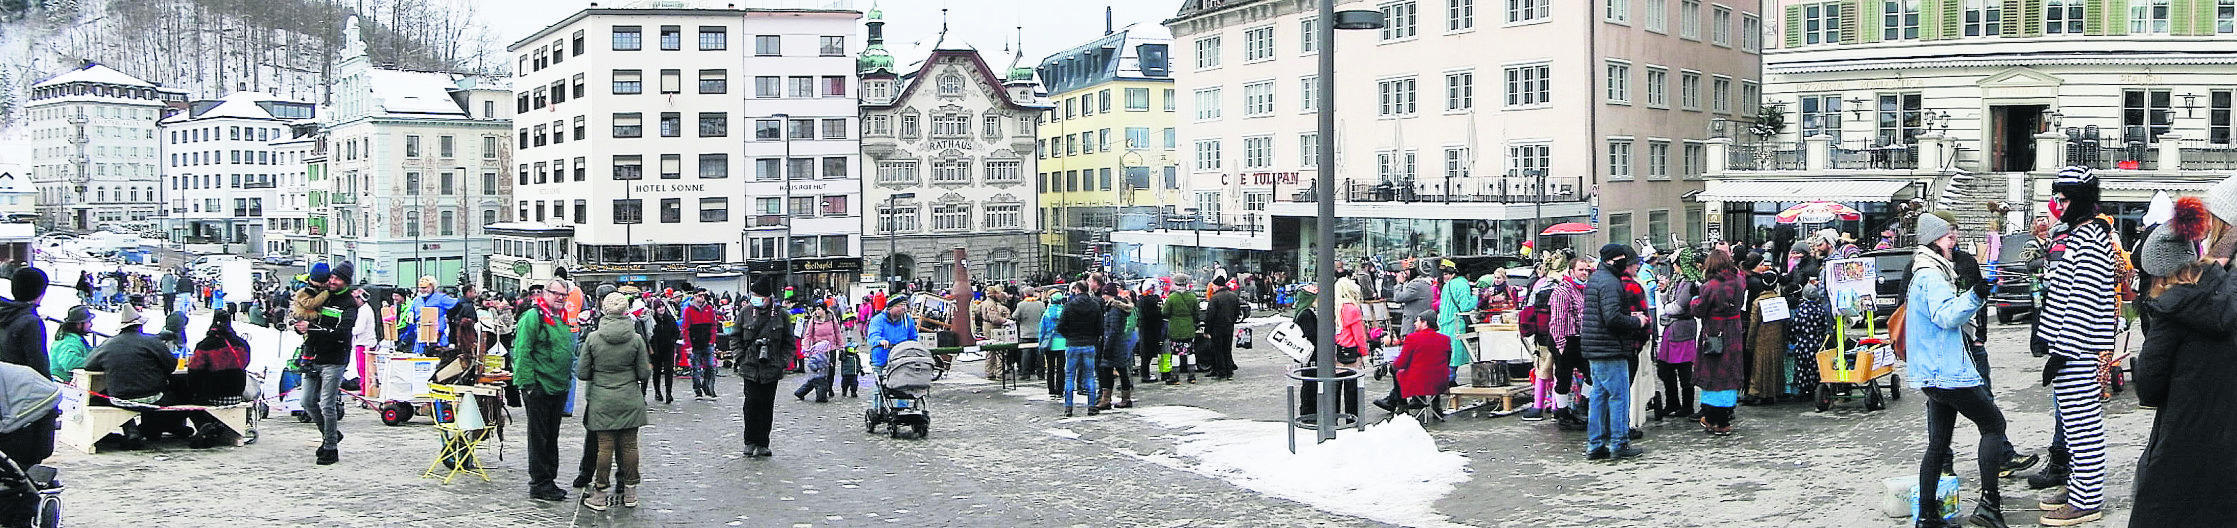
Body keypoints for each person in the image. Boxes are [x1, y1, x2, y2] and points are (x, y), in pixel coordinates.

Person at [1897, 211, 2013, 528]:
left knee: (1938, 444)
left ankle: (1927, 516)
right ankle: (1990, 506)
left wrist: (1972, 294)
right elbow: (1947, 316)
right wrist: (1976, 294)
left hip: (1932, 373)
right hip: (1946, 371)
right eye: (1949, 236)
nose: (1954, 241)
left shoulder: (1926, 271)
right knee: (1993, 425)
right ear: (1935, 240)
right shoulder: (1931, 275)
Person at [2032, 166, 2118, 526]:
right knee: (2070, 422)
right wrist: (2044, 334)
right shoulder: (2080, 234)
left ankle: (2087, 499)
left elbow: (2082, 301)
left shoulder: (2092, 239)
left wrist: (2062, 349)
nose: (2058, 204)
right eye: (2057, 197)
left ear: (2080, 199)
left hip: (2081, 348)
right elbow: (2063, 292)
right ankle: (2078, 486)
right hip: (2070, 345)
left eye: (2064, 198)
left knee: (2082, 424)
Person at [573, 292, 650, 511]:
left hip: (602, 399)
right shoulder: (635, 339)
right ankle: (630, 492)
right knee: (630, 446)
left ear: (604, 310)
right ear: (626, 311)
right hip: (629, 398)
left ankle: (599, 495)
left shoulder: (593, 338)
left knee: (604, 448)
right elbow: (644, 373)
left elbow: (583, 373)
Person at [1579, 244, 1648, 460]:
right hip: (1610, 347)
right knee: (1619, 397)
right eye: (1620, 259)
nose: (1623, 263)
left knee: (1598, 397)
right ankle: (1619, 442)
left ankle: (1596, 444)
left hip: (1595, 347)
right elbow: (1612, 318)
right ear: (1611, 260)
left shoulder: (1596, 279)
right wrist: (1637, 321)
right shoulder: (1610, 282)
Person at [513, 279, 579, 502]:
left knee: (551, 436)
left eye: (564, 295)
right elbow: (522, 351)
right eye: (556, 293)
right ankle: (540, 483)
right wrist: (528, 386)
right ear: (545, 293)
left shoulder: (560, 319)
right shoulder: (534, 317)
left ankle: (549, 479)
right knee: (540, 438)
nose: (560, 298)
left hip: (558, 388)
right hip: (540, 387)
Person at [290, 263, 357, 465]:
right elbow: (306, 315)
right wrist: (300, 327)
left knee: (328, 405)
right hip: (313, 356)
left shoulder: (348, 303)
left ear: (346, 282)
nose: (332, 281)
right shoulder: (322, 295)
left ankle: (331, 448)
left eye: (337, 279)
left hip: (335, 359)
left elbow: (342, 333)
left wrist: (312, 328)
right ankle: (331, 434)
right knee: (307, 401)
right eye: (332, 277)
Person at [82, 304, 171, 447]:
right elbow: (171, 365)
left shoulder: (108, 344)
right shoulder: (153, 342)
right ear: (139, 326)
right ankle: (155, 429)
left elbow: (88, 365)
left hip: (120, 398)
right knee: (178, 393)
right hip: (154, 397)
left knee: (99, 399)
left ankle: (131, 430)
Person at [1691, 249, 1747, 435]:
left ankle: (1717, 420)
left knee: (1714, 375)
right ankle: (1723, 418)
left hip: (1715, 331)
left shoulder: (1710, 286)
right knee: (1730, 372)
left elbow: (1699, 309)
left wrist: (1693, 300)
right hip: (1734, 329)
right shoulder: (1739, 281)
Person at [738, 288, 790, 457]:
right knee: (750, 405)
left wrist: (781, 362)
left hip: (771, 368)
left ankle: (763, 443)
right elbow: (735, 336)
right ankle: (750, 441)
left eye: (758, 296)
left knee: (767, 407)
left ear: (767, 297)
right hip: (750, 367)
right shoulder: (745, 312)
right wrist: (740, 358)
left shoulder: (781, 315)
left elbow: (789, 342)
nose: (755, 299)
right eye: (753, 296)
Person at [1547, 255, 1595, 430]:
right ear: (1571, 271)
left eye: (1586, 270)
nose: (1584, 273)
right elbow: (1557, 320)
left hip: (1579, 339)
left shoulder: (1584, 289)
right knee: (1563, 378)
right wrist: (1560, 345)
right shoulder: (1562, 291)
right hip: (1564, 339)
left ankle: (1582, 405)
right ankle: (1563, 414)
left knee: (1591, 373)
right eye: (1581, 270)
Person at [1655, 248, 1702, 419]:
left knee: (1684, 370)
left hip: (1682, 330)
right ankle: (1672, 402)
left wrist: (1667, 308)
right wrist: (1663, 291)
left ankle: (1687, 406)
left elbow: (1679, 306)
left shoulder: (1689, 283)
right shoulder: (1677, 280)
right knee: (1665, 368)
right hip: (1672, 330)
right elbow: (1669, 301)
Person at [1375, 311, 1450, 413]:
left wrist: (1393, 365)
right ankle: (1436, 406)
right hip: (1440, 383)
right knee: (1434, 371)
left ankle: (1402, 406)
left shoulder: (1413, 338)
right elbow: (1447, 362)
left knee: (1395, 370)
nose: (1414, 323)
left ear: (1424, 323)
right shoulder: (1445, 339)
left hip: (1418, 383)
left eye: (1417, 321)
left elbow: (1400, 363)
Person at [1056, 282, 1104, 416]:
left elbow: (1060, 326)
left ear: (1077, 290)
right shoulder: (1094, 305)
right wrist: (1093, 338)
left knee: (1070, 376)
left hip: (1072, 344)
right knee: (1090, 376)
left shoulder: (1069, 305)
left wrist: (1069, 336)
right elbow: (1100, 327)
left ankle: (1068, 407)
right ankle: (1091, 406)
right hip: (1089, 344)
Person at [0, 268, 49, 379]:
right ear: (40, 293)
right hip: (23, 389)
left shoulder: (4, 313)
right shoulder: (31, 323)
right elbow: (38, 366)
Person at [1437, 262, 1478, 380]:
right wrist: (1475, 296)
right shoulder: (1463, 285)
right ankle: (1450, 380)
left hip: (1444, 323)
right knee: (1455, 354)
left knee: (1446, 353)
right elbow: (1465, 307)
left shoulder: (1447, 285)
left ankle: (1445, 380)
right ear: (1468, 275)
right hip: (1456, 323)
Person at [1095, 287, 1135, 410]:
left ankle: (1113, 399)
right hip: (1117, 344)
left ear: (1108, 295)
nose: (1103, 297)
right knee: (1116, 371)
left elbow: (1113, 330)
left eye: (1104, 294)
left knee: (1116, 371)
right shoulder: (1115, 308)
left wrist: (1107, 347)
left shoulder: (1114, 310)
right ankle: (1117, 398)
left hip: (1113, 344)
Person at [1161, 274, 1200, 385]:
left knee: (1176, 353)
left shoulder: (1172, 298)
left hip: (1176, 329)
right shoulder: (1192, 297)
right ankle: (1192, 376)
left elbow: (1165, 313)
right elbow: (1196, 313)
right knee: (1190, 353)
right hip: (1189, 329)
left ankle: (1175, 377)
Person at [1203, 277, 1244, 380]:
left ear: (1217, 286)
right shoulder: (1233, 296)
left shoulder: (1215, 298)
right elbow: (1237, 312)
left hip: (1217, 329)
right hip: (1229, 327)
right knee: (1227, 350)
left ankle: (1221, 373)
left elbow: (1210, 315)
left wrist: (1207, 330)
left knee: (1218, 351)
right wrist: (1231, 321)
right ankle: (1229, 372)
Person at [682, 291, 719, 400]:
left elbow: (713, 325)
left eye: (703, 295)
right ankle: (698, 389)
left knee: (711, 366)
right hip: (694, 344)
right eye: (699, 295)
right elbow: (685, 329)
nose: (701, 298)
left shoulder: (709, 309)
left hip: (708, 343)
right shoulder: (688, 310)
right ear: (694, 297)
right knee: (696, 369)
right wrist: (688, 345)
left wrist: (712, 340)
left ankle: (708, 387)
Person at [643, 299, 680, 404]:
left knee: (669, 370)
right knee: (657, 371)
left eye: (662, 306)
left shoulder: (669, 318)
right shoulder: (652, 319)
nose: (661, 309)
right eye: (659, 307)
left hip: (668, 348)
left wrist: (672, 340)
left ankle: (669, 393)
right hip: (656, 349)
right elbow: (649, 333)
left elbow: (676, 331)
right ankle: (657, 392)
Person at [867, 301, 918, 371]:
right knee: (880, 379)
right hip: (881, 356)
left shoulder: (908, 320)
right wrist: (880, 341)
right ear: (890, 308)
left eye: (904, 305)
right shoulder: (878, 319)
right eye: (899, 305)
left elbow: (913, 337)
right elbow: (873, 335)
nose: (903, 308)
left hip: (901, 357)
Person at [974, 289, 1013, 380]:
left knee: (990, 351)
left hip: (986, 326)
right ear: (994, 294)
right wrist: (1005, 321)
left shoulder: (983, 303)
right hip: (993, 327)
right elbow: (994, 318)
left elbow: (977, 313)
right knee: (999, 349)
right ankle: (1000, 373)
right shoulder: (991, 304)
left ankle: (989, 372)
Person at [48, 307, 93, 382]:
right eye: (88, 321)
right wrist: (94, 362)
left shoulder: (76, 339)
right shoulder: (69, 341)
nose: (91, 324)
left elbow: (90, 352)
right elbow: (70, 363)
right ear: (78, 324)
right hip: (63, 385)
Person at [1133, 285, 1166, 384]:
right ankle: (1145, 375)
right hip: (1150, 331)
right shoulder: (1147, 301)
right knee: (1147, 354)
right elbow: (1154, 315)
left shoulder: (1141, 300)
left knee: (1146, 354)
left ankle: (1145, 374)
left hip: (1146, 330)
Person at [1391, 267, 1436, 336]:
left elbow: (1398, 298)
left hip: (1413, 325)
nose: (1404, 273)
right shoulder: (1423, 283)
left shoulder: (1416, 285)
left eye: (1407, 270)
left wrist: (1399, 283)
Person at [1014, 291, 1047, 382]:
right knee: (1039, 355)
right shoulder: (1041, 304)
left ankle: (1025, 374)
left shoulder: (1021, 305)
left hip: (1025, 334)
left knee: (1026, 355)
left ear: (1025, 295)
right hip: (1038, 333)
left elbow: (1015, 316)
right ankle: (1041, 374)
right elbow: (1044, 316)